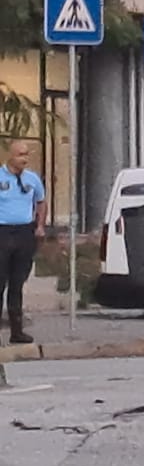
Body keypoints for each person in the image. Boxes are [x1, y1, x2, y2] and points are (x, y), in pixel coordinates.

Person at [0, 141, 47, 345]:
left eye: (26, 154)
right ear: (10, 155)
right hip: (2, 232)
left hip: (24, 233)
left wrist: (39, 225)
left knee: (17, 284)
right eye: (20, 155)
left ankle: (17, 331)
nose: (24, 159)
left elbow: (41, 201)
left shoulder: (32, 179)